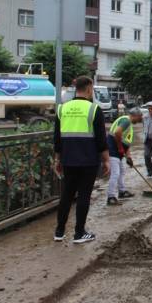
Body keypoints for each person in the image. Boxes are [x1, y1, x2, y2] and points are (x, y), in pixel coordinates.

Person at [53, 76, 109, 244]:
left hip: (68, 160)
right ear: (89, 88)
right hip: (88, 160)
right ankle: (79, 233)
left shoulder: (62, 109)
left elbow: (57, 138)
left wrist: (57, 159)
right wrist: (106, 160)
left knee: (67, 195)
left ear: (75, 88)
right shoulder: (94, 109)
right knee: (84, 195)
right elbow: (101, 139)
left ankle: (59, 232)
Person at [106, 108, 143, 206]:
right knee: (115, 173)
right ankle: (111, 197)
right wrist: (119, 148)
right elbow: (117, 133)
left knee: (122, 170)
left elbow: (126, 143)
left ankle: (122, 191)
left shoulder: (128, 123)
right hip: (113, 150)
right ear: (135, 115)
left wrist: (129, 157)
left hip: (119, 152)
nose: (140, 119)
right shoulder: (126, 121)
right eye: (140, 117)